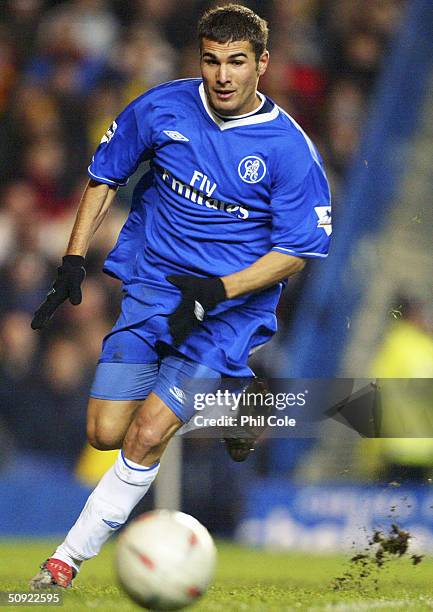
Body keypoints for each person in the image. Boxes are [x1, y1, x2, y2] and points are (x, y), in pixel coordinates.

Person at [30, 4, 331, 589]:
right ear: (201, 59)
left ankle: (63, 562)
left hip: (227, 312)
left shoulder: (289, 149)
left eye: (237, 62)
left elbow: (298, 250)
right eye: (212, 61)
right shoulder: (160, 106)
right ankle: (242, 405)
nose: (223, 75)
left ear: (261, 64)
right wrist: (72, 258)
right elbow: (104, 175)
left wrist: (219, 289)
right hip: (152, 290)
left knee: (147, 432)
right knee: (104, 431)